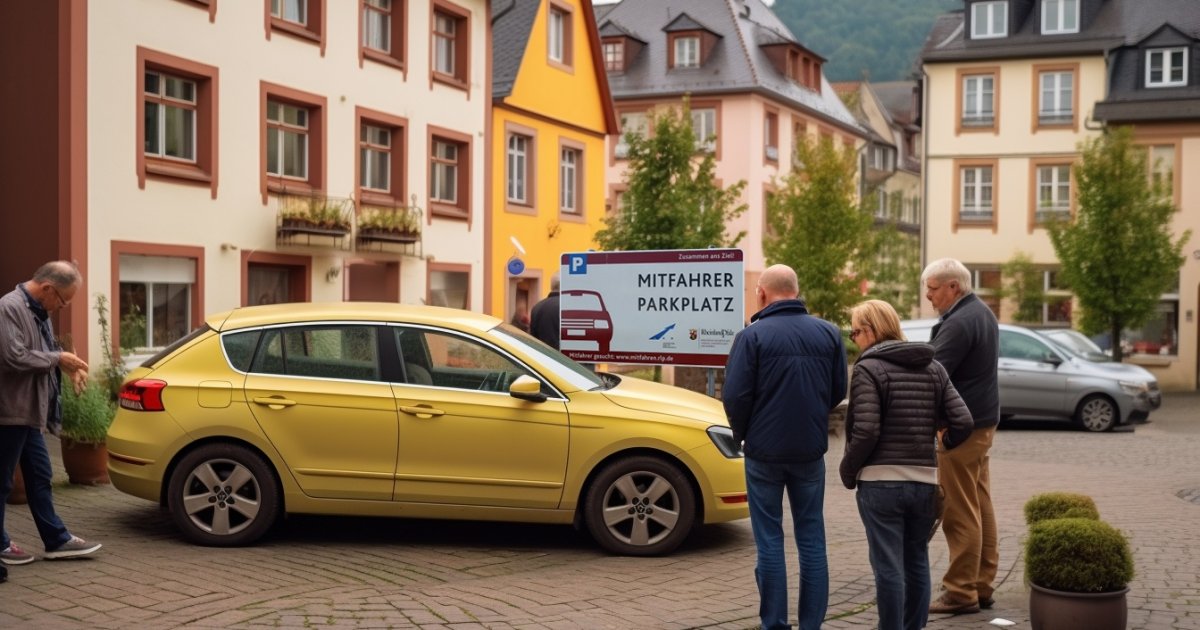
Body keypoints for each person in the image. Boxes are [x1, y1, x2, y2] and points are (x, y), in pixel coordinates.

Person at [723, 264, 847, 630]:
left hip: (763, 452)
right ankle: (811, 624)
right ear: (796, 290)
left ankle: (774, 623)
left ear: (762, 293)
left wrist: (742, 434)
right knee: (811, 538)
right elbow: (838, 390)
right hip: (809, 450)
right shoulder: (829, 334)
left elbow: (735, 396)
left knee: (770, 539)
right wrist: (810, 415)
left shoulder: (753, 336)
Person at [840, 299, 974, 630]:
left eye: (856, 331)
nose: (854, 338)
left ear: (870, 331)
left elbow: (867, 429)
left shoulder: (868, 369)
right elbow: (964, 420)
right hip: (924, 482)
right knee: (917, 560)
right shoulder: (934, 368)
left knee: (887, 565)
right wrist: (945, 442)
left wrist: (848, 469)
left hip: (880, 482)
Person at [0, 261, 104, 567]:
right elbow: (13, 356)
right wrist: (59, 359)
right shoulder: (9, 308)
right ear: (47, 288)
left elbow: (45, 353)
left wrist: (68, 369)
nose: (63, 306)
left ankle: (56, 540)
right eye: (63, 300)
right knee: (3, 481)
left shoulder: (39, 310)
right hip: (9, 411)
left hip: (30, 412)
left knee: (41, 475)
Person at [921, 258, 1000, 615]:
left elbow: (932, 374)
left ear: (953, 286)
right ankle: (981, 584)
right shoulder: (981, 313)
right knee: (980, 503)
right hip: (981, 422)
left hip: (960, 427)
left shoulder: (959, 323)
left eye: (934, 289)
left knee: (959, 510)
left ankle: (960, 591)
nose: (929, 296)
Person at [529, 273, 561, 350]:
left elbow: (533, 338)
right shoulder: (568, 307)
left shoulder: (537, 307)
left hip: (542, 358)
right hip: (564, 360)